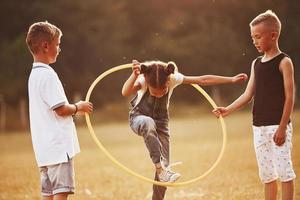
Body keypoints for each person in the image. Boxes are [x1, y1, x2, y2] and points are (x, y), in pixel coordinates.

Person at [122, 59, 247, 200]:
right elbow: (125, 91)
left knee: (165, 171)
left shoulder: (172, 78)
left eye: (162, 91)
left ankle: (160, 183)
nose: (158, 95)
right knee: (148, 123)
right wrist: (134, 74)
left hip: (161, 125)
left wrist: (231, 80)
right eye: (154, 93)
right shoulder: (144, 80)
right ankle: (159, 166)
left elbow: (202, 80)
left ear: (168, 81)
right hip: (139, 119)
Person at [213, 10, 296, 200]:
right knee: (267, 176)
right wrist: (228, 109)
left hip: (278, 126)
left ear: (273, 35)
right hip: (259, 127)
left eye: (258, 37)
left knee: (285, 173)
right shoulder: (256, 63)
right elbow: (248, 94)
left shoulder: (284, 62)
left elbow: (290, 97)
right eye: (253, 38)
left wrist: (283, 127)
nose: (255, 41)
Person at [26, 21, 93, 200]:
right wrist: (79, 107)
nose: (59, 49)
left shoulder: (34, 76)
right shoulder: (48, 75)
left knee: (48, 194)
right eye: (58, 44)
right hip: (58, 149)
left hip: (44, 150)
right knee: (61, 192)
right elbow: (61, 109)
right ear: (46, 46)